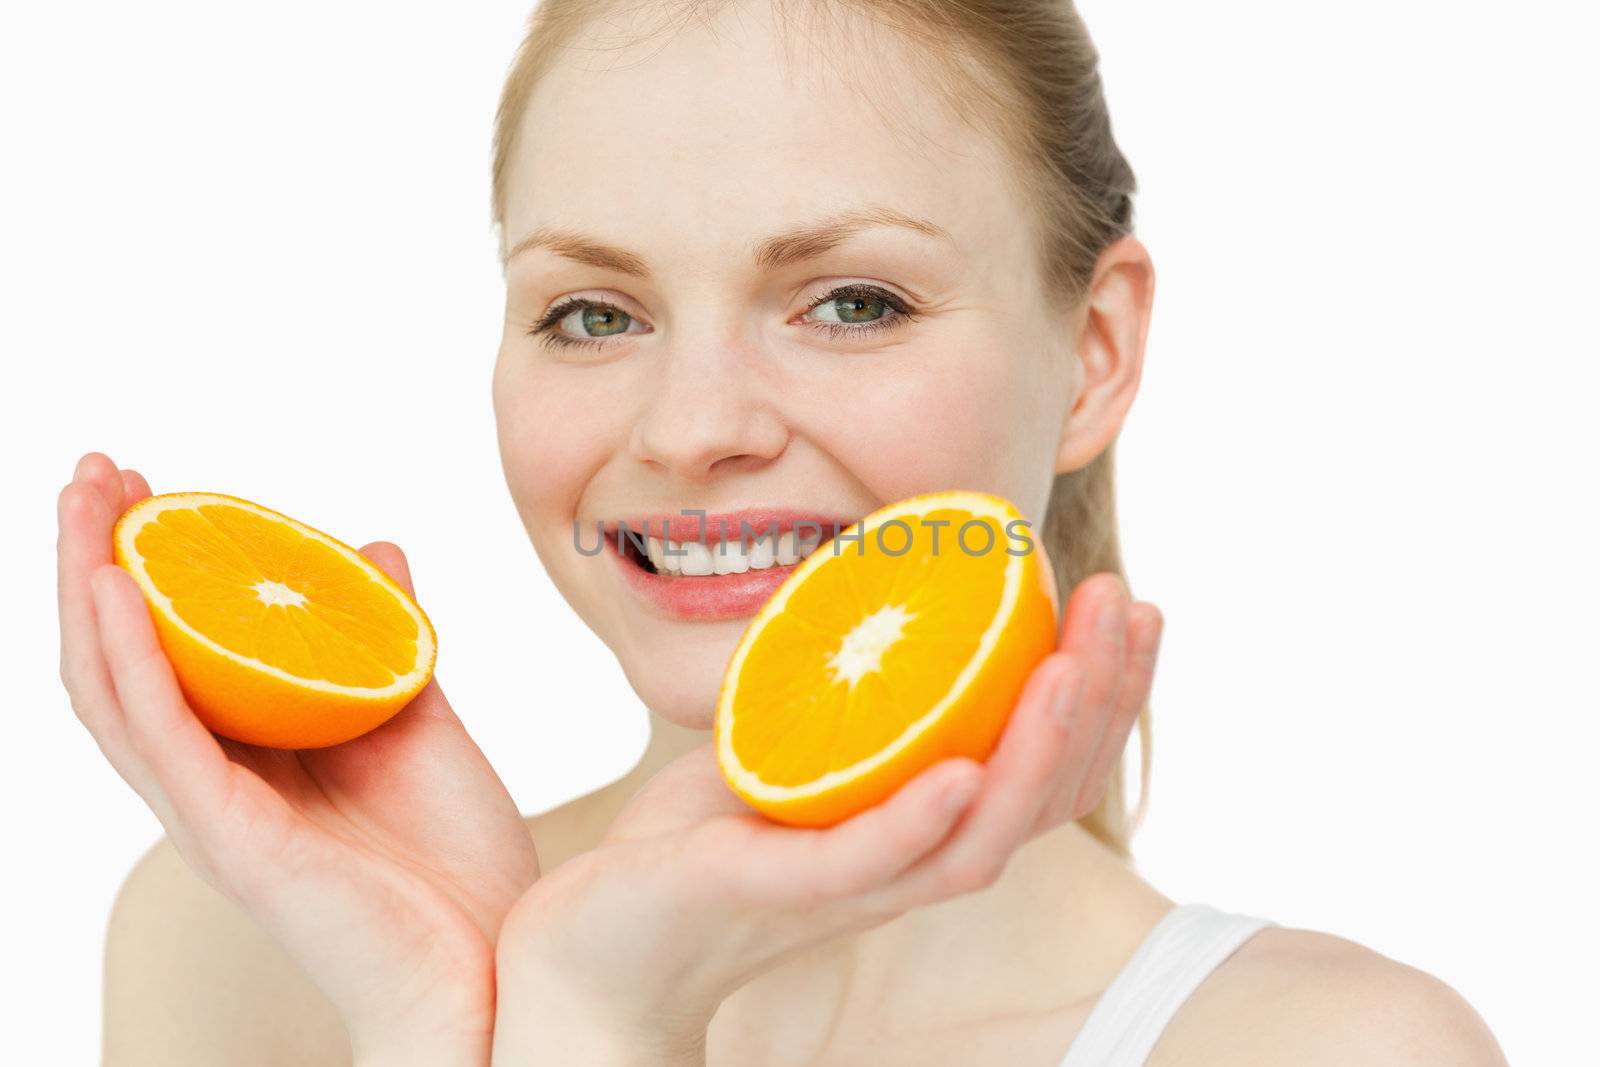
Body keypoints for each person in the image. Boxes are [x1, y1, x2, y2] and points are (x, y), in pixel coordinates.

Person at [58, 1, 1510, 1063]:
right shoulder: (250, 949)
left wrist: (605, 1023)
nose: (692, 427)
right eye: (593, 313)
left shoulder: (1328, 1049)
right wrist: (483, 1021)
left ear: (1097, 352)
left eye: (853, 303)